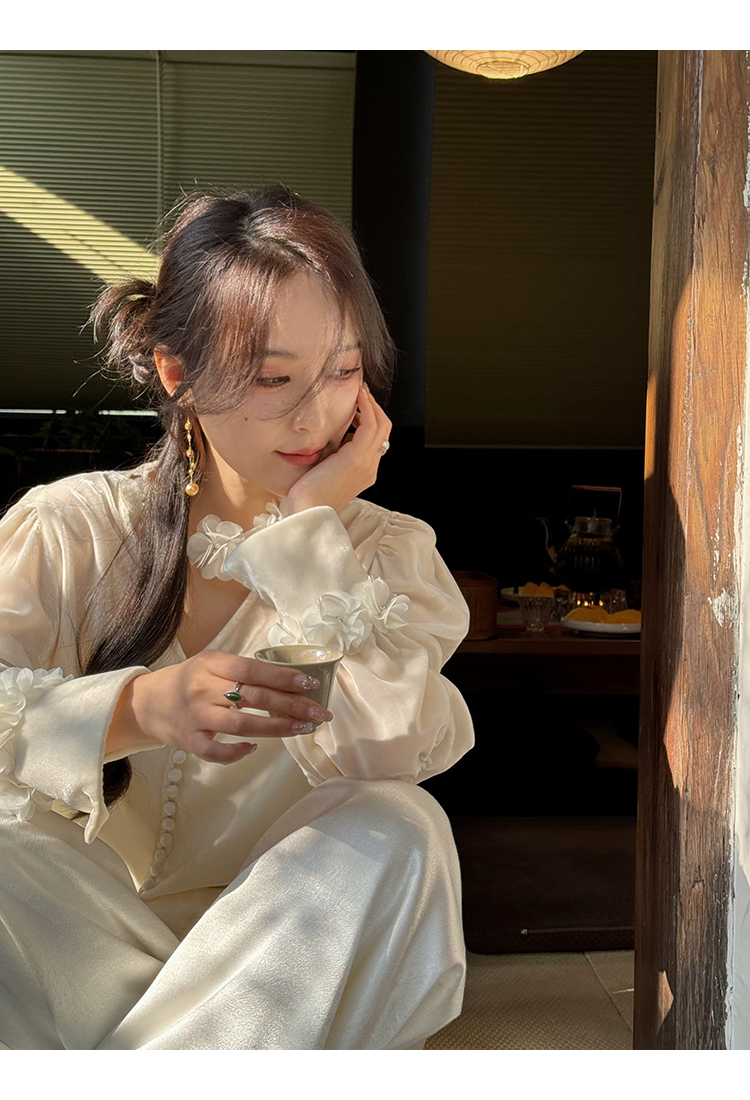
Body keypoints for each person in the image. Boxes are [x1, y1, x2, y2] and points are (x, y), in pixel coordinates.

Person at [0, 186, 475, 1050]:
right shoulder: (70, 529)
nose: (316, 415)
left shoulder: (385, 554)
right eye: (272, 378)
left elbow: (391, 752)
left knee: (404, 827)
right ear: (176, 372)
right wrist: (137, 710)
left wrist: (309, 535)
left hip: (289, 959)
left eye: (343, 371)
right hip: (83, 944)